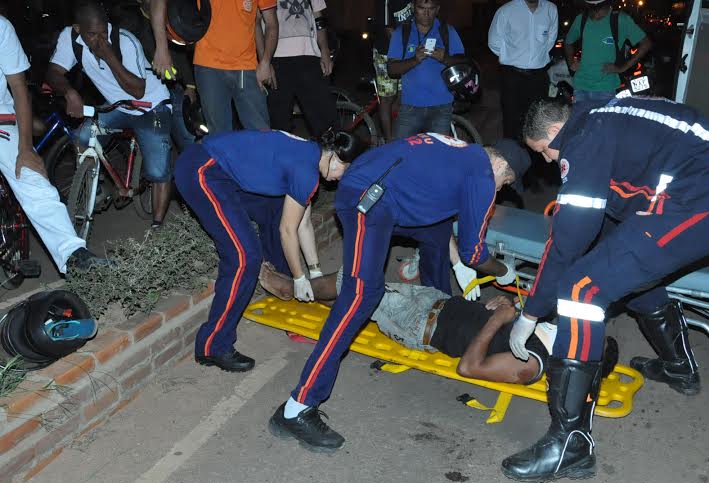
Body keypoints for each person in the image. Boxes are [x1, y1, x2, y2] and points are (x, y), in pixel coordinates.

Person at [500, 97, 709, 481]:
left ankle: (570, 445)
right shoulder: (601, 119)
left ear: (556, 132)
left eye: (544, 151)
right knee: (622, 268)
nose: (546, 160)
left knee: (580, 290)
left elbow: (567, 242)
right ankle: (679, 367)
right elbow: (612, 214)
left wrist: (531, 312)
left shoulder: (585, 138)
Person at [269, 132, 531, 453]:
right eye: (506, 182)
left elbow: (422, 186)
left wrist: (456, 262)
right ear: (500, 166)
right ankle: (298, 407)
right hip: (369, 202)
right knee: (361, 295)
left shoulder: (458, 150)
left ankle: (439, 304)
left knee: (436, 232)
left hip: (374, 190)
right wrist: (503, 271)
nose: (500, 189)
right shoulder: (483, 177)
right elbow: (474, 253)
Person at [173, 129, 365, 372]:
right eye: (345, 171)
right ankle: (213, 345)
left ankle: (284, 288)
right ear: (336, 158)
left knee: (277, 208)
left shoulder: (311, 153)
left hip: (227, 174)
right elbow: (288, 230)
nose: (340, 179)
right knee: (244, 257)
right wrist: (300, 277)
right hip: (203, 169)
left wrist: (314, 273)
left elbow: (301, 223)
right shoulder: (305, 169)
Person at [259, 261, 620, 384]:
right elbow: (503, 318)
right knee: (356, 286)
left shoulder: (532, 365)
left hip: (418, 325)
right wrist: (503, 305)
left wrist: (498, 320)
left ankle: (292, 289)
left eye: (594, 342)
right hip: (436, 300)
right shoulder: (554, 333)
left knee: (355, 283)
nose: (588, 334)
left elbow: (469, 367)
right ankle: (307, 291)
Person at [46, 0, 174, 229]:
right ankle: (96, 185)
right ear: (78, 29)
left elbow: (137, 90)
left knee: (157, 171)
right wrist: (69, 93)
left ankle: (157, 226)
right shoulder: (70, 38)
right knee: (82, 138)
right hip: (117, 106)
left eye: (103, 32)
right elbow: (54, 72)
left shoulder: (125, 41)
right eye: (92, 35)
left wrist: (109, 56)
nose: (100, 40)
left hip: (150, 105)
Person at [0, 15, 107, 273]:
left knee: (29, 176)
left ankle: (73, 253)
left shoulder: (1, 27)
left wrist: (26, 149)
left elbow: (19, 87)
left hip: (1, 120)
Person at [192, 0, 278, 134]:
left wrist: (265, 62)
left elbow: (271, 23)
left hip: (246, 66)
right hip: (208, 65)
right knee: (219, 135)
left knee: (261, 131)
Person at [120, 0, 197, 150]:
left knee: (187, 136)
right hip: (147, 93)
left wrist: (190, 85)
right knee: (158, 142)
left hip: (173, 86)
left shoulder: (170, 16)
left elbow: (179, 52)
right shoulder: (131, 21)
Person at [387, 0, 466, 138]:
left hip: (442, 106)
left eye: (431, 8)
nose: (426, 13)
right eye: (421, 8)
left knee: (437, 150)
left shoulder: (447, 31)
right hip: (410, 106)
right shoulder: (402, 32)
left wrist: (445, 58)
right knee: (401, 149)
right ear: (413, 8)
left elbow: (463, 63)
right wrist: (414, 60)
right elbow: (392, 69)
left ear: (437, 9)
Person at [267, 0, 338, 138]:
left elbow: (319, 18)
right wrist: (265, 61)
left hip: (309, 55)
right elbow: (258, 21)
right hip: (277, 57)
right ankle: (281, 151)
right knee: (278, 122)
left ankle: (331, 150)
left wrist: (324, 49)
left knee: (325, 119)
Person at [488, 0, 557, 140]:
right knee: (511, 120)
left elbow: (550, 39)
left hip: (538, 76)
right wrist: (512, 57)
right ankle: (512, 151)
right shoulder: (506, 11)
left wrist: (536, 58)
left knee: (537, 121)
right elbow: (494, 42)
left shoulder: (551, 9)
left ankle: (534, 153)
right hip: (513, 76)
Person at [563, 0, 652, 104]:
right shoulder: (581, 19)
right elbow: (568, 42)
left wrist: (622, 68)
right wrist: (571, 62)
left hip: (605, 88)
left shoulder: (620, 19)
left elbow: (646, 43)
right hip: (580, 86)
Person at [372, 0, 413, 141]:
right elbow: (389, 29)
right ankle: (389, 140)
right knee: (387, 98)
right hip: (386, 53)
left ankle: (399, 134)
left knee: (403, 96)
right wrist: (403, 52)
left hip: (407, 53)